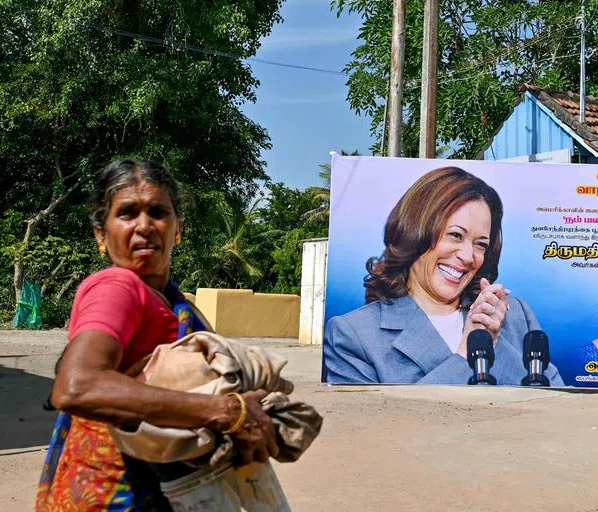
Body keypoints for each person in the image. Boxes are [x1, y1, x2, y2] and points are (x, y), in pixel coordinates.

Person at [37, 159, 277, 511]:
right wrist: (223, 411)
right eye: (127, 213)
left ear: (177, 227)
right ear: (101, 234)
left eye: (158, 212)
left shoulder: (179, 304)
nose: (145, 226)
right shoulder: (117, 288)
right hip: (115, 495)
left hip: (167, 488)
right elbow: (77, 385)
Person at [324, 166, 563, 385]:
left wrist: (495, 342)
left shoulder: (516, 314)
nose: (468, 256)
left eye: (480, 244)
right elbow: (376, 426)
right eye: (456, 235)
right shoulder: (353, 335)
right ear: (415, 232)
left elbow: (555, 407)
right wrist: (464, 357)